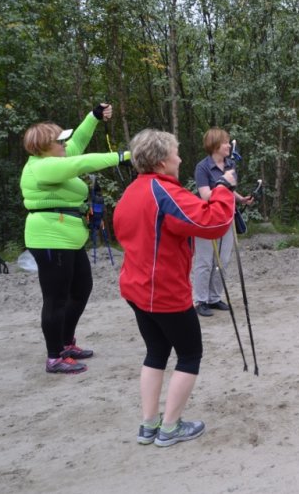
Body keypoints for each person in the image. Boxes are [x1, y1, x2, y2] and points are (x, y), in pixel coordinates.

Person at [114, 129, 235, 447]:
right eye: (176, 153)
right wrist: (224, 188)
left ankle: (149, 424)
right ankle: (170, 428)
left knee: (156, 351)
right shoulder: (163, 192)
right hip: (163, 291)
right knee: (190, 354)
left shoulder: (132, 192)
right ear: (161, 160)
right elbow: (212, 224)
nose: (180, 158)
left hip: (136, 288)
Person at [20, 103, 129, 374]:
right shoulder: (41, 167)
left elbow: (78, 142)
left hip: (69, 239)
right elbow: (82, 161)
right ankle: (54, 356)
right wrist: (122, 156)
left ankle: (66, 343)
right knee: (56, 298)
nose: (65, 143)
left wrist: (93, 116)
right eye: (59, 141)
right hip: (49, 239)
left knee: (81, 289)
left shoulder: (56, 159)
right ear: (44, 146)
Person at [192, 128, 254, 317]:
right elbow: (205, 196)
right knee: (205, 261)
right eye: (226, 142)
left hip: (227, 218)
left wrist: (241, 199)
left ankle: (214, 297)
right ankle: (200, 301)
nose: (229, 146)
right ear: (215, 145)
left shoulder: (230, 164)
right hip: (207, 219)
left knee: (223, 260)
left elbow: (228, 190)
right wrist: (222, 181)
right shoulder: (202, 167)